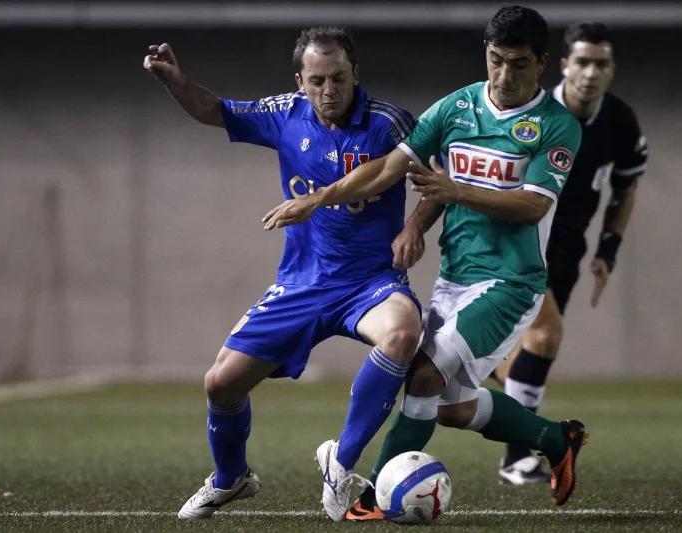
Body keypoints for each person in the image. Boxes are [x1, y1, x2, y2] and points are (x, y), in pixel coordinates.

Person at [262, 5, 588, 521]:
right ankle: (555, 438)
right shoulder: (455, 108)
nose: (504, 75)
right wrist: (335, 202)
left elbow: (532, 206)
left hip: (509, 280)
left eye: (519, 63)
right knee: (452, 407)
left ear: (542, 63)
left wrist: (456, 190)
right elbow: (389, 169)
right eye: (496, 60)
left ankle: (372, 499)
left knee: (422, 375)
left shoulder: (556, 125)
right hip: (454, 276)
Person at [143, 27, 423, 520]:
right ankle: (231, 479)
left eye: (338, 78)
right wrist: (176, 83)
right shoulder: (285, 113)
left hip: (370, 283)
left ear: (356, 73)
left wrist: (415, 226)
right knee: (220, 383)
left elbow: (436, 177)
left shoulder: (389, 122)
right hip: (302, 284)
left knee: (402, 334)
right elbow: (214, 110)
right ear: (300, 81)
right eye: (317, 80)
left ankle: (341, 460)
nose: (329, 90)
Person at [492, 22, 648, 486]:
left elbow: (625, 188)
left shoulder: (620, 121)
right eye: (582, 61)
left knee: (515, 358)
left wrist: (608, 248)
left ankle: (459, 364)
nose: (591, 72)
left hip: (567, 250)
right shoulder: (534, 112)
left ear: (612, 69)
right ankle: (517, 458)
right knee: (545, 337)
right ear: (563, 65)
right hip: (518, 241)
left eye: (601, 63)